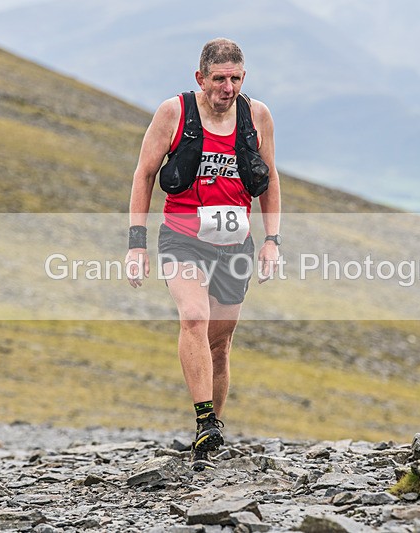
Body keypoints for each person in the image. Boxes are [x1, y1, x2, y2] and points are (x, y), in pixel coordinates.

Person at [124, 38, 281, 471]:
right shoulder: (174, 113)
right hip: (182, 237)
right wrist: (137, 243)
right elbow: (144, 175)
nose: (226, 88)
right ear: (200, 78)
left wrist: (273, 240)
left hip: (235, 244)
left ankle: (211, 435)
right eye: (218, 79)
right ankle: (205, 419)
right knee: (194, 316)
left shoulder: (257, 116)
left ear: (243, 78)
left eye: (235, 79)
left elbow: (268, 180)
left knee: (221, 342)